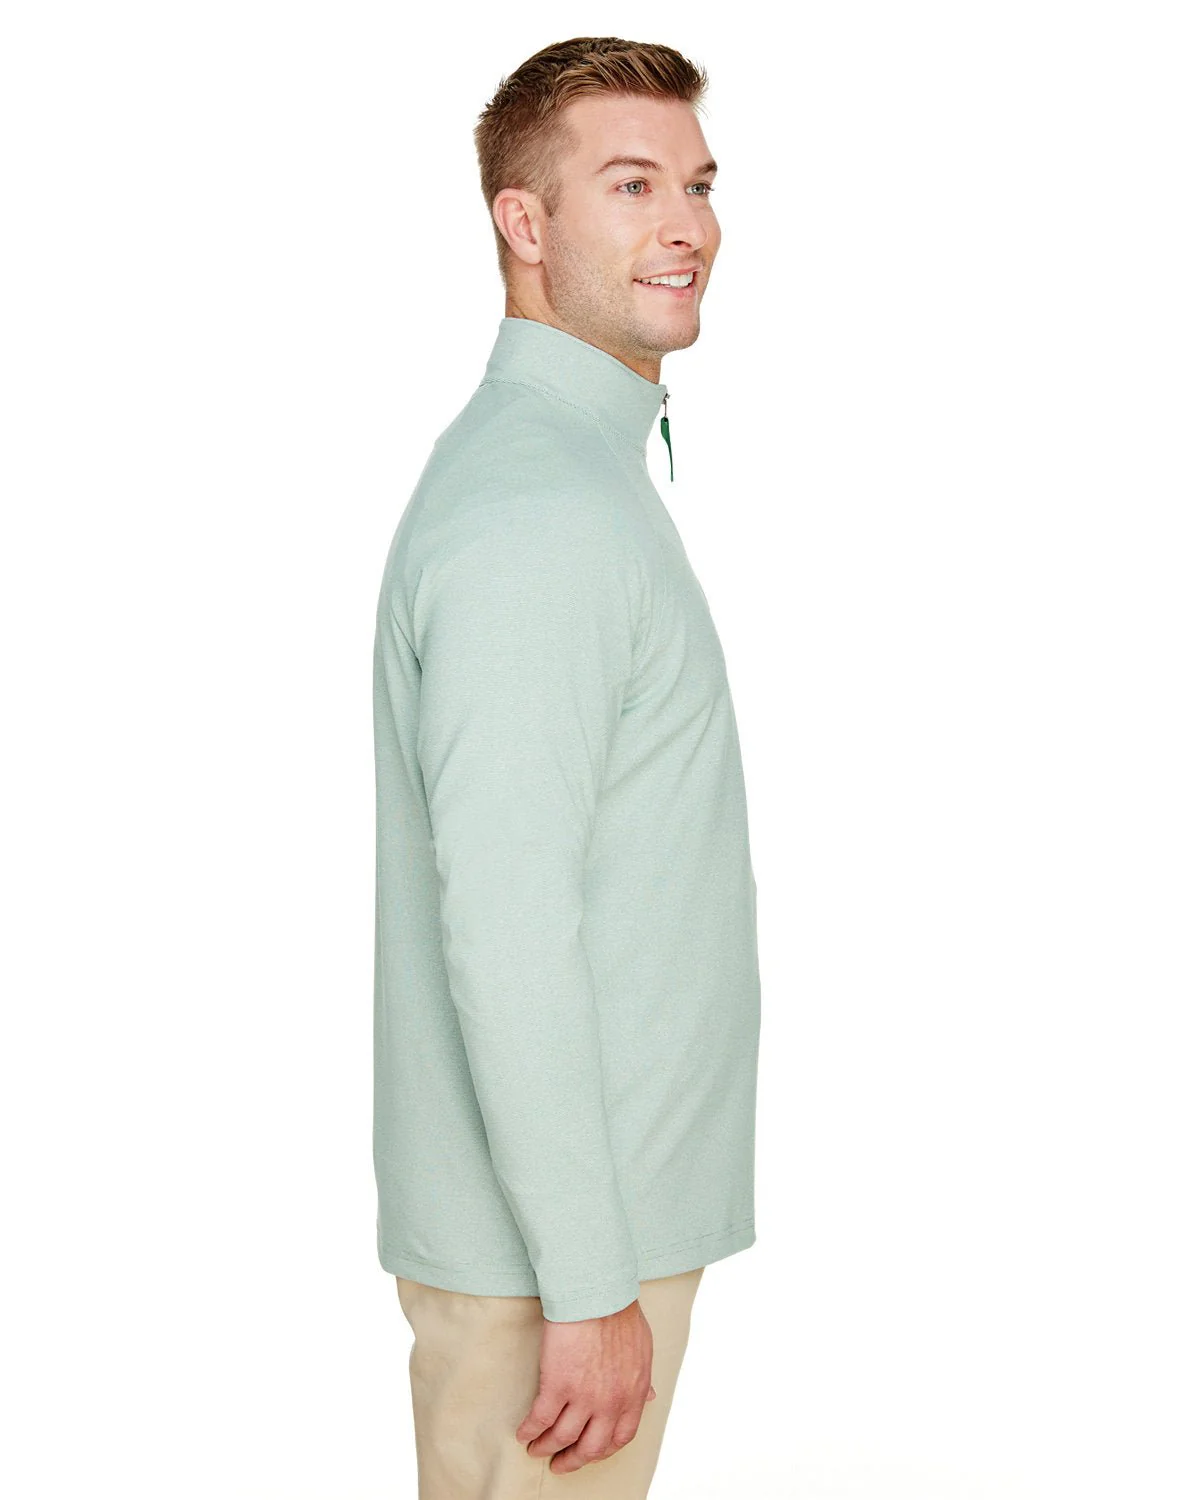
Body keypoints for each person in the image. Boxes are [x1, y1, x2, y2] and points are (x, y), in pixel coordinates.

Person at [372, 35, 761, 1496]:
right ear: (523, 224)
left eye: (700, 185)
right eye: (632, 184)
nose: (688, 225)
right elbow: (510, 924)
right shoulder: (539, 511)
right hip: (554, 1272)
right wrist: (589, 1287)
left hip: (577, 1243)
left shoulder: (574, 467)